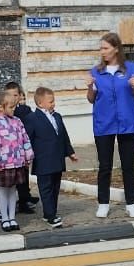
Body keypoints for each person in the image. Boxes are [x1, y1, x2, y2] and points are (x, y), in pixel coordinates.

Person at [86, 32, 134, 219]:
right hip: (104, 124)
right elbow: (91, 99)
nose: (102, 52)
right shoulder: (96, 72)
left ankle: (131, 203)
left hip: (128, 123)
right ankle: (103, 203)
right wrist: (89, 87)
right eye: (101, 48)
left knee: (128, 166)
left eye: (105, 48)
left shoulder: (132, 69)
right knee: (105, 166)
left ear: (116, 49)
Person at [24, 86, 78, 228]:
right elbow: (27, 139)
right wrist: (25, 157)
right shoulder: (32, 118)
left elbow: (64, 136)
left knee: (55, 187)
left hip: (57, 159)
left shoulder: (57, 116)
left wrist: (70, 152)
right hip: (42, 160)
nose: (53, 103)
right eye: (51, 101)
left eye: (53, 101)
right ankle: (50, 215)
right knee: (46, 188)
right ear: (40, 103)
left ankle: (51, 211)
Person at [0, 90, 34, 232]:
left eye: (14, 106)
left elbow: (25, 139)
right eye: (11, 107)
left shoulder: (17, 121)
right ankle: (4, 218)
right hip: (3, 164)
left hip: (17, 162)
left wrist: (28, 155)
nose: (14, 109)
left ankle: (12, 217)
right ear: (1, 107)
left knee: (13, 190)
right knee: (3, 191)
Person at [4, 81, 39, 214]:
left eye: (16, 94)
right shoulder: (9, 112)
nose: (14, 98)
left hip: (24, 146)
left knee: (24, 174)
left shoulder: (24, 110)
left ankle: (25, 198)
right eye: (11, 95)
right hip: (12, 149)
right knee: (17, 177)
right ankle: (22, 201)